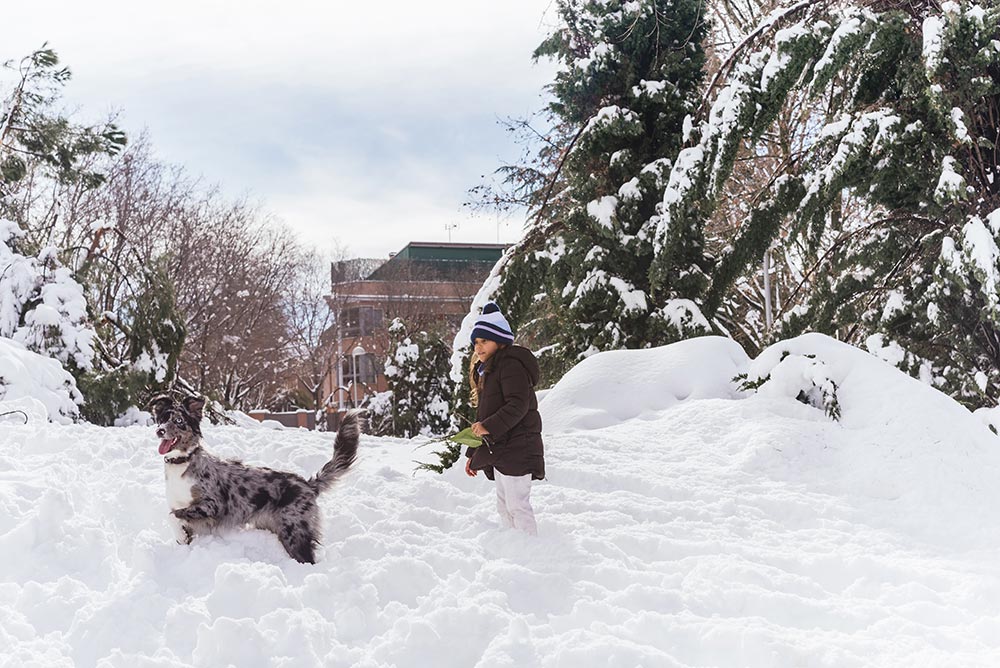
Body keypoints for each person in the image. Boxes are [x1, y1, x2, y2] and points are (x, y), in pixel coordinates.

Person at [464, 302, 545, 535]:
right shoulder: (490, 370)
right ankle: (514, 547)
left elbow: (518, 405)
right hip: (503, 448)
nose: (478, 348)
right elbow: (485, 415)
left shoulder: (510, 365)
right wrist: (473, 453)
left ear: (500, 341)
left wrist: (487, 427)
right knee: (504, 506)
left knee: (517, 506)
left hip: (519, 446)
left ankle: (531, 550)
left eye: (484, 342)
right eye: (476, 343)